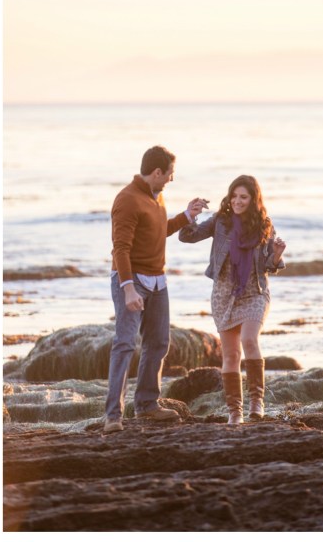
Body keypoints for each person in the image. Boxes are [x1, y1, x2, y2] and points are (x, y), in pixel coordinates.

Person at [104, 145, 208, 432]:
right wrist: (127, 288)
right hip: (132, 280)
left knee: (158, 343)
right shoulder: (127, 199)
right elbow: (121, 249)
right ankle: (113, 416)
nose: (172, 180)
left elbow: (158, 231)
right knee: (125, 344)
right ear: (157, 172)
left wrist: (187, 215)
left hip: (158, 282)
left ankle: (147, 405)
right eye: (170, 174)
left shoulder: (156, 197)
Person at [179, 175, 286, 424]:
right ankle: (235, 411)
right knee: (230, 356)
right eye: (234, 196)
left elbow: (270, 266)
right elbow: (187, 236)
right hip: (224, 294)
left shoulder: (265, 225)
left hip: (255, 292)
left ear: (253, 199)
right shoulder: (220, 221)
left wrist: (278, 255)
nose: (237, 201)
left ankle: (256, 402)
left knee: (249, 340)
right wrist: (190, 214)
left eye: (243, 197)